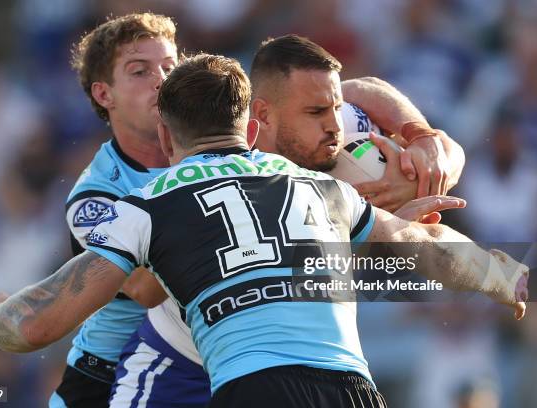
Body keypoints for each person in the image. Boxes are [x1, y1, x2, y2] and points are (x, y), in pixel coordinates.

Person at [0, 53, 528, 408]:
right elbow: (425, 248)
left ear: (166, 138)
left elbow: (36, 326)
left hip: (250, 386)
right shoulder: (323, 189)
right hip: (352, 389)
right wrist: (503, 273)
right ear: (253, 124)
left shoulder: (145, 204)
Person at [109, 35, 467, 407]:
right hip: (185, 363)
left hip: (283, 366)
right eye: (315, 112)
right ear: (261, 117)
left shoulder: (329, 127)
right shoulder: (224, 153)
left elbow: (369, 90)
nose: (333, 123)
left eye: (335, 108)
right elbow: (143, 289)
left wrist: (425, 143)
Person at [53, 13, 178, 407]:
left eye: (170, 67)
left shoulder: (214, 151)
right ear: (104, 94)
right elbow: (146, 289)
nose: (161, 80)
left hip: (191, 369)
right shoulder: (96, 196)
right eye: (140, 71)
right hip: (106, 377)